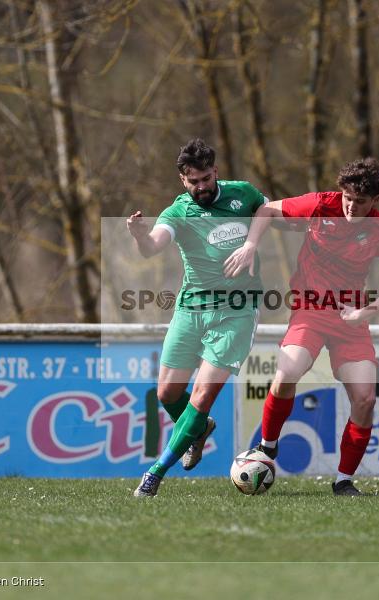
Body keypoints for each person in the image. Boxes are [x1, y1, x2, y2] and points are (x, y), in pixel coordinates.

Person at [223, 158, 379, 496]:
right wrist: (250, 244)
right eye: (348, 198)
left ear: (376, 201)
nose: (351, 207)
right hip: (310, 310)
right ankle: (267, 446)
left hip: (351, 318)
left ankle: (343, 481)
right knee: (287, 373)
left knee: (365, 399)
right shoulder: (321, 205)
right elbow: (266, 210)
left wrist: (364, 313)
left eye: (361, 202)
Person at [126, 138, 267, 497]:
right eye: (194, 181)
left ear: (215, 172)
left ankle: (156, 473)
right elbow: (154, 246)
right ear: (182, 180)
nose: (201, 187)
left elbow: (267, 209)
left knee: (201, 398)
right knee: (167, 392)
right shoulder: (178, 212)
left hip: (237, 310)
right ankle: (199, 431)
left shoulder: (242, 193)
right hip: (192, 308)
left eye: (206, 178)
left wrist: (251, 243)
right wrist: (141, 237)